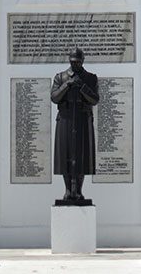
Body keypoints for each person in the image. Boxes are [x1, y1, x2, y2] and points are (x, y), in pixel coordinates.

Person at [50, 47, 99, 202]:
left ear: (83, 61)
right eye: (72, 62)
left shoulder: (91, 78)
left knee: (82, 155)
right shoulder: (60, 77)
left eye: (78, 62)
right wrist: (67, 85)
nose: (75, 65)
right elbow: (54, 98)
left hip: (83, 119)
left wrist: (82, 87)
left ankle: (78, 191)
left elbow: (95, 99)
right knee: (65, 154)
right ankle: (67, 190)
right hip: (65, 119)